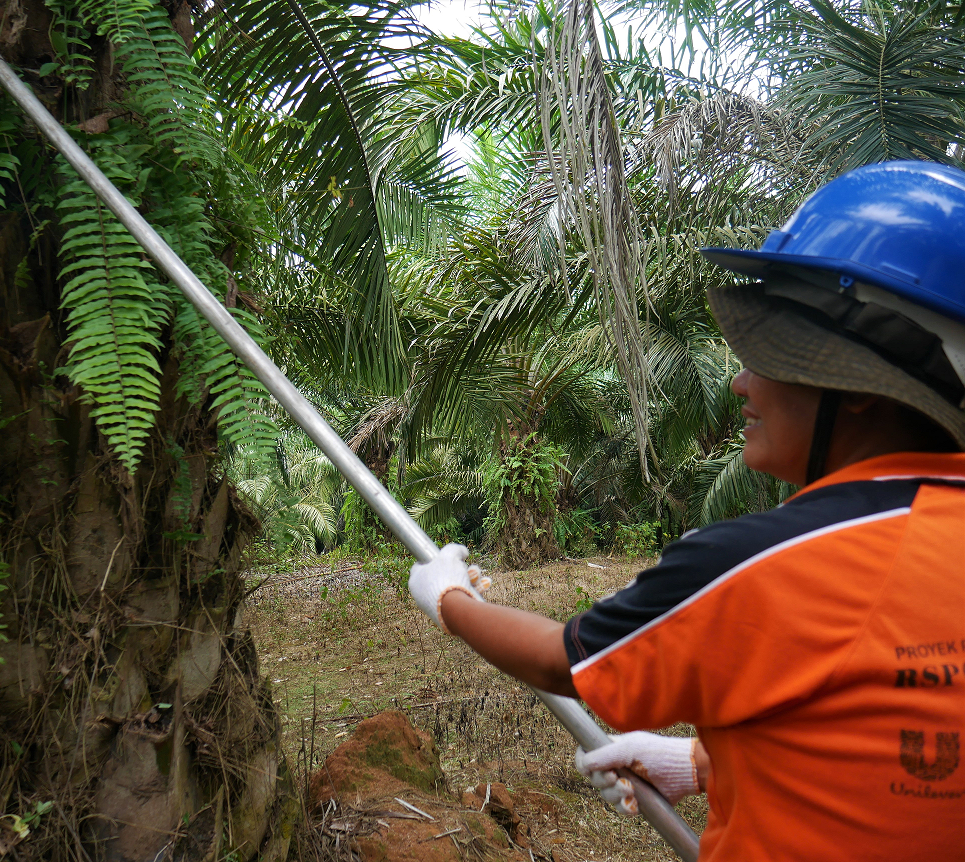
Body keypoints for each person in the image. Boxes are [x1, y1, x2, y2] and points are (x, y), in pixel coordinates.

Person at [406, 160, 965, 861]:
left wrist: (450, 600)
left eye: (769, 356)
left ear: (857, 385)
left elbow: (561, 661)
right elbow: (884, 733)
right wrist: (700, 765)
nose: (740, 381)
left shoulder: (761, 563)